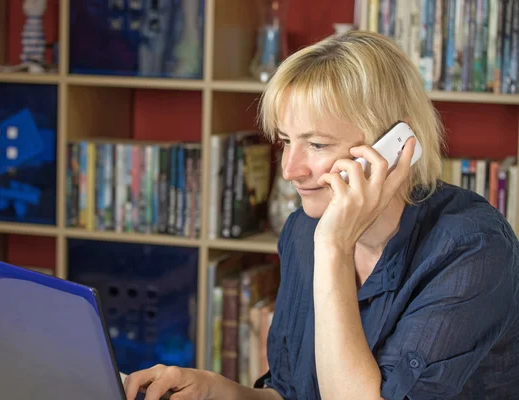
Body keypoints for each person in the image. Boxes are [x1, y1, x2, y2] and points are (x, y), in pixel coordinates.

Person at [124, 30, 519, 399]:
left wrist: (333, 246)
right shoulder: (301, 230)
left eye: (316, 144)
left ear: (396, 146)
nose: (290, 170)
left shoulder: (472, 248)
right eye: (285, 141)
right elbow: (291, 392)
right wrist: (214, 389)